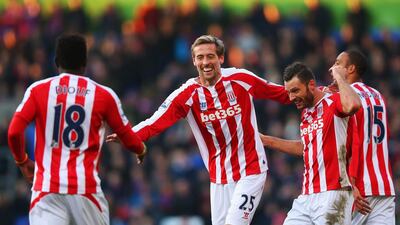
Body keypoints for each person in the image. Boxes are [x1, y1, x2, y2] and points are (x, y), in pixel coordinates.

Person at [107, 34, 291, 225]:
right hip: (219, 178)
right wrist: (129, 135)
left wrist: (317, 94)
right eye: (200, 57)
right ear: (194, 61)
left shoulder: (240, 78)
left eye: (210, 56)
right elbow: (156, 121)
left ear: (220, 58)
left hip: (251, 169)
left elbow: (279, 92)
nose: (206, 62)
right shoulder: (187, 94)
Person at [7, 33, 147, 225]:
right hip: (85, 192)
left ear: (56, 62)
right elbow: (128, 138)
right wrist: (141, 149)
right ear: (84, 64)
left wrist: (22, 161)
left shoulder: (38, 90)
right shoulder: (104, 95)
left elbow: (14, 131)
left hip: (47, 191)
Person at [260, 61, 362, 224]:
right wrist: (266, 140)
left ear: (311, 85)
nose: (291, 97)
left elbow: (354, 104)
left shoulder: (333, 101)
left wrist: (339, 77)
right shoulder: (306, 112)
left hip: (334, 193)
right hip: (307, 196)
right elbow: (306, 147)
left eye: (295, 90)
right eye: (288, 92)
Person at [332, 49, 395, 224]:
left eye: (338, 63)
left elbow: (350, 144)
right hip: (384, 186)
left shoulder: (346, 99)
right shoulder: (378, 96)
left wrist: (352, 185)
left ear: (350, 69)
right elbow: (384, 136)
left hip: (359, 189)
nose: (333, 68)